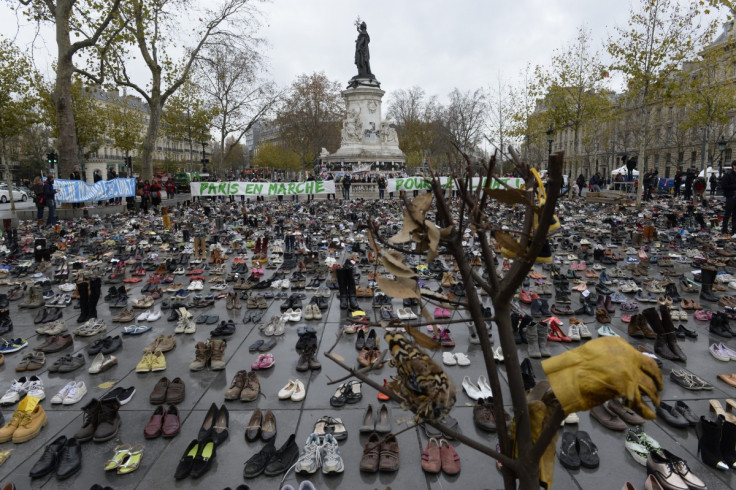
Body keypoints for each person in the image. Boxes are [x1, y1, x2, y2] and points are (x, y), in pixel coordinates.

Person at [721, 161, 736, 235]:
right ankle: (724, 230)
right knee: (727, 214)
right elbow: (724, 186)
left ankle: (734, 231)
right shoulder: (728, 175)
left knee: (735, 215)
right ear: (733, 166)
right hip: (730, 197)